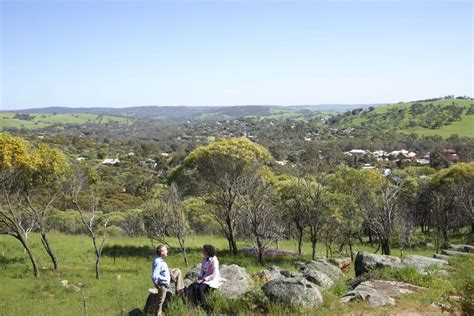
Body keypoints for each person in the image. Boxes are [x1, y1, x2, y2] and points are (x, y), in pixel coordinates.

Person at [189, 244, 223, 309]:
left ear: (208, 252)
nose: (203, 252)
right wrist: (199, 277)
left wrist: (203, 279)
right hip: (204, 278)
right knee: (193, 286)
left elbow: (214, 273)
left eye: (204, 251)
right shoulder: (204, 259)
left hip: (212, 279)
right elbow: (202, 270)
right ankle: (194, 304)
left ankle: (205, 306)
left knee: (201, 288)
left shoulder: (214, 260)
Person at [151, 245, 170, 316]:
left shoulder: (160, 259)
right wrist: (156, 284)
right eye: (165, 250)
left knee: (160, 301)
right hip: (162, 284)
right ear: (162, 252)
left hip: (163, 283)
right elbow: (154, 275)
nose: (167, 251)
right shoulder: (158, 261)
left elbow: (162, 271)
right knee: (160, 302)